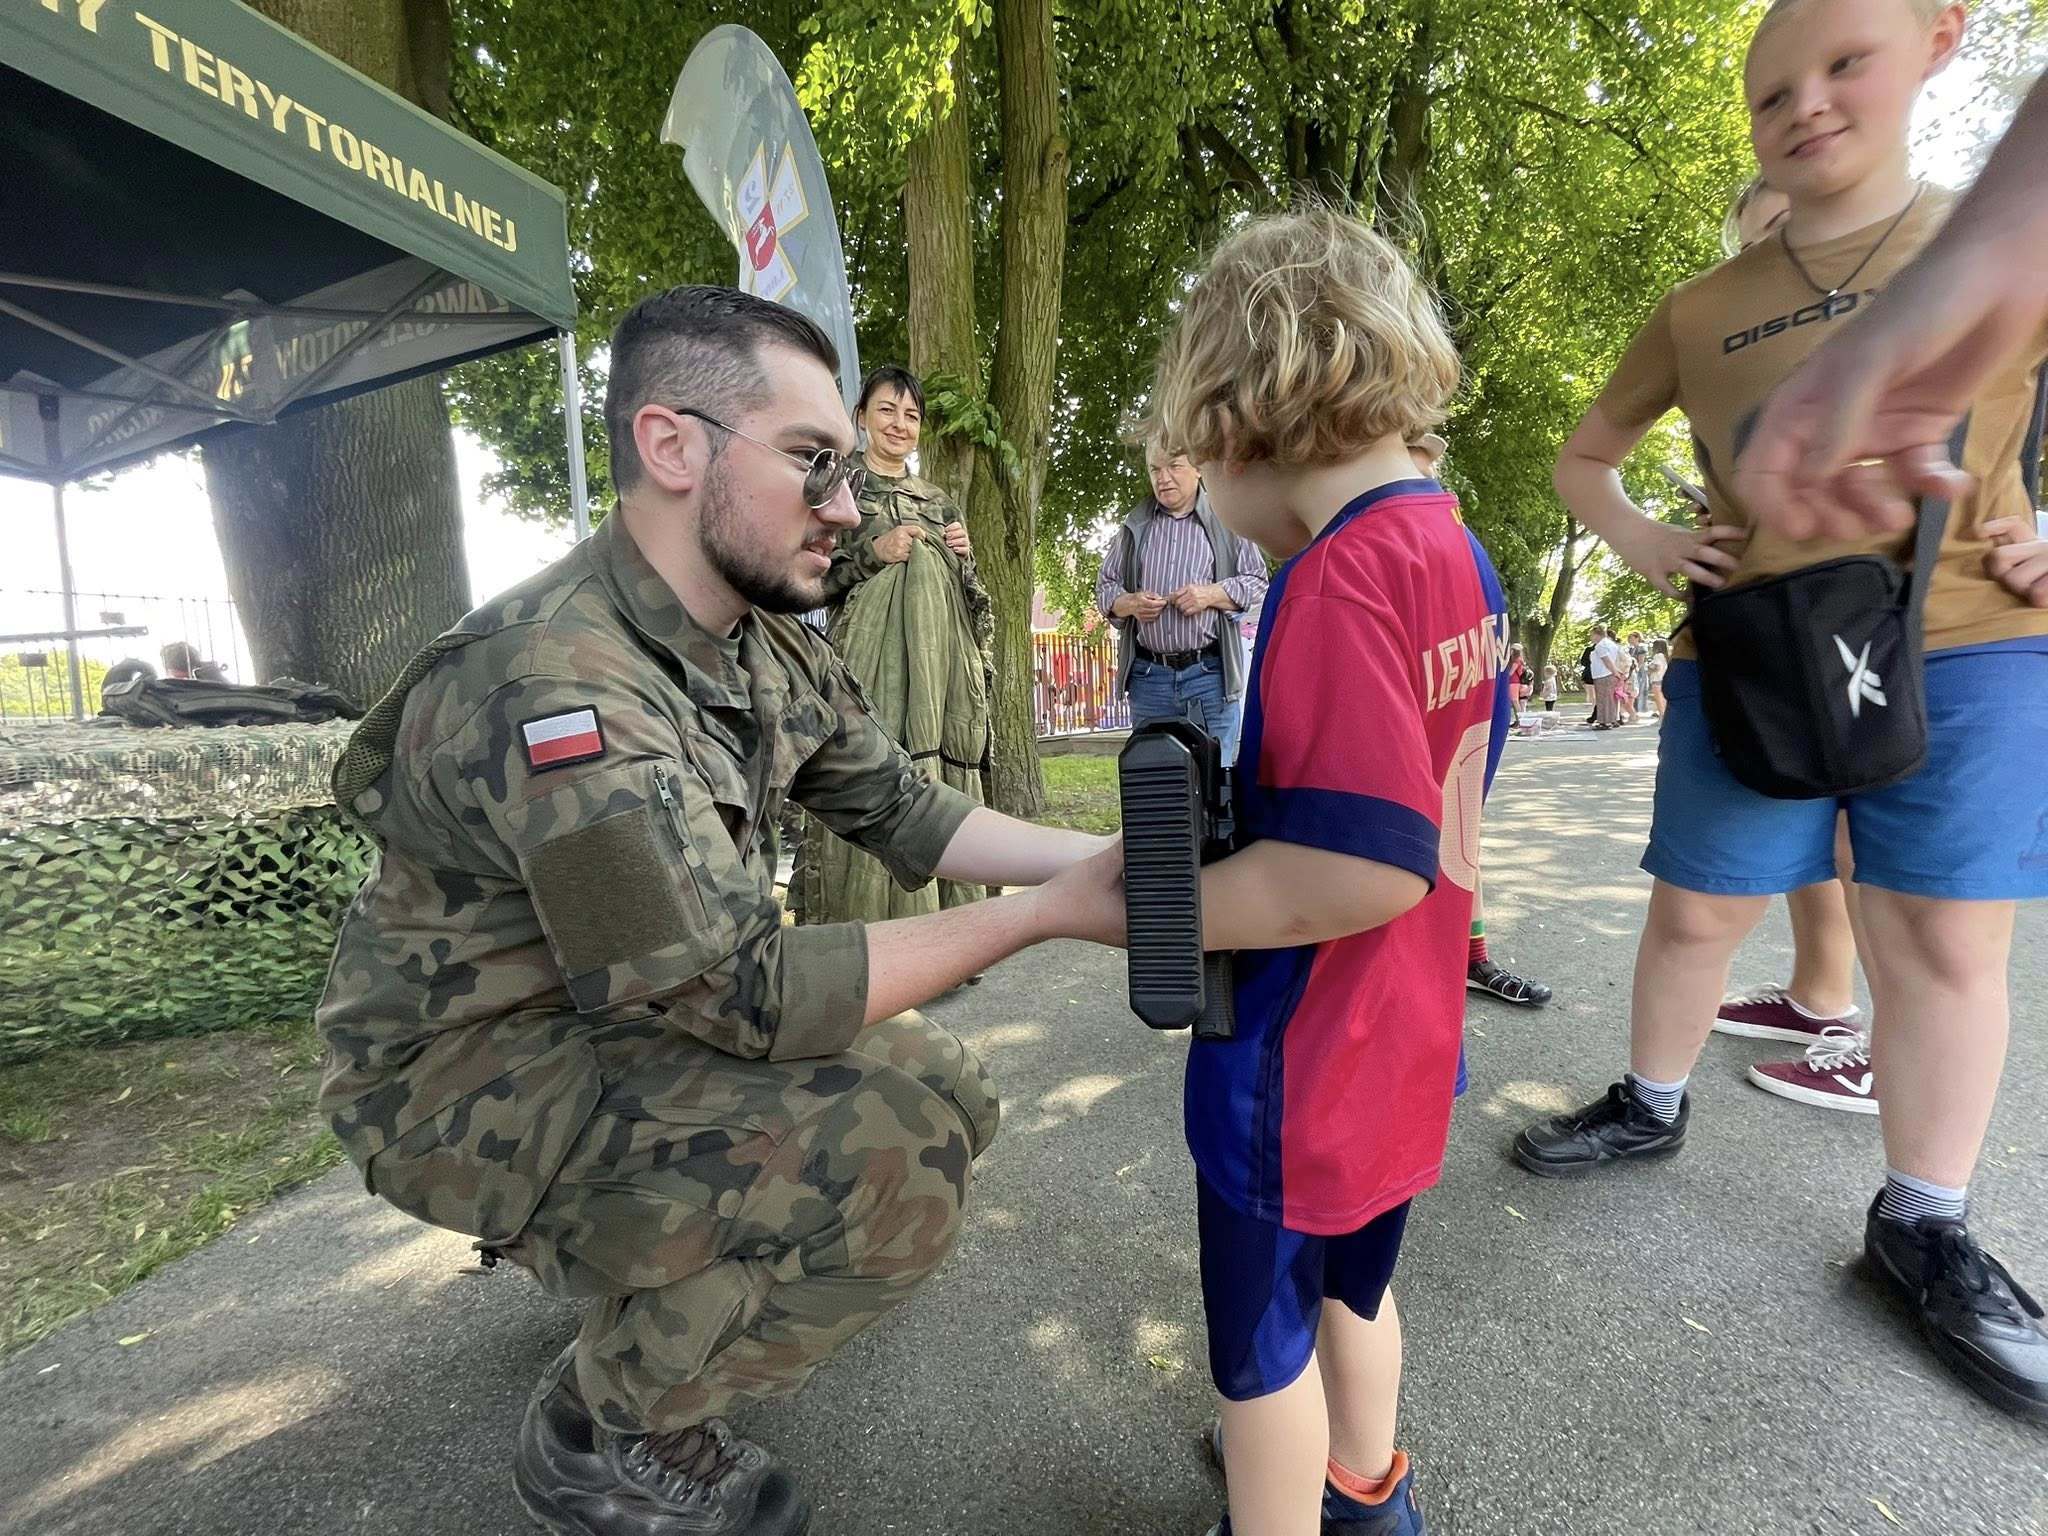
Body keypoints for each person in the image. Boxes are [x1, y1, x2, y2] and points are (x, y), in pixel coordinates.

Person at [316, 285, 1117, 1536]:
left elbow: (899, 806)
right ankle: (603, 1431)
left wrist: (1112, 857)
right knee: (891, 1160)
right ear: (672, 445)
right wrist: (1043, 914)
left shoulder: (757, 633)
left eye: (844, 467)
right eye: (810, 461)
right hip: (466, 1084)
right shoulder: (562, 689)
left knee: (949, 1090)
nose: (844, 507)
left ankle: (644, 1268)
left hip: (604, 1016)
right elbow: (736, 994)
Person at [1514, 0, 2048, 1422]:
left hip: (1972, 639)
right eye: (1770, 92)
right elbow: (1584, 457)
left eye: (1842, 64)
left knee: (1940, 937)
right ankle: (1648, 1103)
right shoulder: (1701, 306)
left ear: (1940, 40)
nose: (1804, 104)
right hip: (1755, 651)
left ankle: (1922, 1223)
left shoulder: (2002, 234)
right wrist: (1644, 543)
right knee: (1698, 907)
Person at [1104, 203, 1506, 1536]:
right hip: (1407, 1041)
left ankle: (1275, 1506)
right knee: (1357, 1290)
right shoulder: (1458, 552)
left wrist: (1164, 909)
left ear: (1242, 423)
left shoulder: (1335, 581)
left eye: (1197, 456)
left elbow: (1353, 870)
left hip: (1303, 1063)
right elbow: (1451, 796)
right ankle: (1368, 1493)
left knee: (1259, 1355)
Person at [794, 365, 993, 925]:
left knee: (934, 775)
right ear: (861, 417)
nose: (899, 424)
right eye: (887, 410)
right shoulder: (837, 489)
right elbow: (809, 581)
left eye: (911, 415)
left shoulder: (938, 500)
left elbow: (972, 601)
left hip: (937, 676)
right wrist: (873, 552)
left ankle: (946, 928)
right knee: (869, 773)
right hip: (866, 670)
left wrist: (962, 558)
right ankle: (866, 929)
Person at [1096, 436, 1269, 765]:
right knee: (1154, 780)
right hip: (1150, 680)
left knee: (1215, 778)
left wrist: (1210, 595)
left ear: (1198, 468)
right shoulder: (1135, 526)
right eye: (1155, 469)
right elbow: (1105, 588)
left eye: (1174, 466)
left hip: (1210, 678)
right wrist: (1130, 603)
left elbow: (1258, 583)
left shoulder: (1226, 521)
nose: (1163, 478)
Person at [1587, 624, 1625, 728]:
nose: (1591, 637)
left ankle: (1605, 721)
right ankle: (1613, 719)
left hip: (1603, 674)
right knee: (1611, 698)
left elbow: (1607, 661)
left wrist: (1615, 672)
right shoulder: (1611, 644)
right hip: (1609, 674)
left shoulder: (1600, 646)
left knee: (1603, 699)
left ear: (1597, 635)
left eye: (1592, 635)